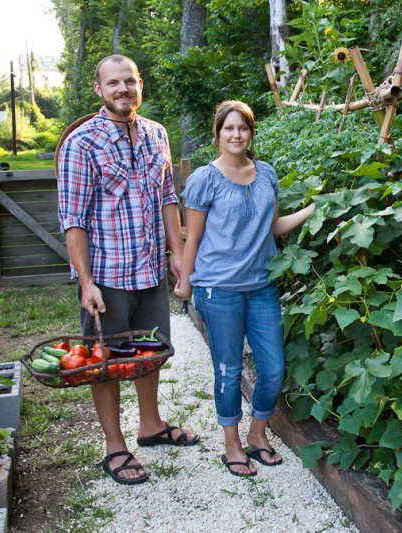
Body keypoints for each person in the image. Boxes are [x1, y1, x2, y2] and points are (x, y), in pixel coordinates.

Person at [57, 54, 199, 486]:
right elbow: (73, 219)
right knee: (106, 362)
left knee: (150, 353)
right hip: (107, 277)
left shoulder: (157, 134)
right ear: (99, 89)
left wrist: (177, 255)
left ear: (140, 85)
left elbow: (167, 199)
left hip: (151, 269)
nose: (123, 90)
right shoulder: (81, 143)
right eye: (113, 83)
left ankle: (151, 425)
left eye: (130, 82)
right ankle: (115, 447)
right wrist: (86, 283)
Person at [174, 100, 314, 477]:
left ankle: (257, 433)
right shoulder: (205, 179)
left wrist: (314, 210)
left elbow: (271, 227)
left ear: (251, 133)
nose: (236, 135)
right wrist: (185, 283)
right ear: (218, 133)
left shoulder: (266, 173)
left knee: (273, 369)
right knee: (228, 368)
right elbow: (194, 237)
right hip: (219, 289)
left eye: (243, 128)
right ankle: (232, 444)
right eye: (228, 128)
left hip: (261, 285)